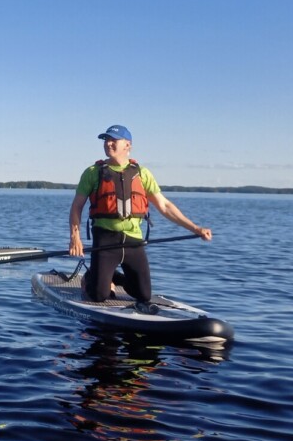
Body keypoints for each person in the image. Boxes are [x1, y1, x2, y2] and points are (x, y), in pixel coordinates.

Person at [68, 125, 211, 313]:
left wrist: (195, 228)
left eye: (113, 140)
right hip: (105, 239)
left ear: (128, 145)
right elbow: (76, 207)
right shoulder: (93, 172)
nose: (108, 143)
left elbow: (165, 206)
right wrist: (75, 237)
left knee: (143, 294)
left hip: (133, 240)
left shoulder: (142, 173)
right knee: (99, 295)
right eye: (106, 140)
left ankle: (112, 277)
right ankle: (91, 278)